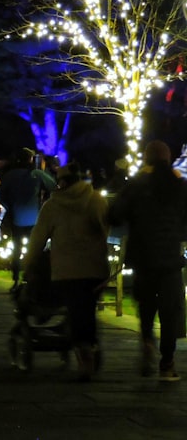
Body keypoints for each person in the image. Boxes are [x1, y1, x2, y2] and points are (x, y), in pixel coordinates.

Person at [108, 140, 187, 380]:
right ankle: (167, 362)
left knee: (146, 307)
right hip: (171, 259)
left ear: (146, 158)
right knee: (169, 312)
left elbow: (114, 215)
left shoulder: (136, 184)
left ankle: (146, 341)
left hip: (142, 258)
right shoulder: (179, 185)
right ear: (168, 157)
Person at [24, 162, 110, 380]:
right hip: (95, 268)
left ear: (60, 182)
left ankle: (83, 351)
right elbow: (104, 228)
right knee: (86, 309)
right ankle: (86, 346)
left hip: (66, 271)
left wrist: (28, 265)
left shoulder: (53, 206)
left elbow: (37, 241)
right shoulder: (96, 200)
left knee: (76, 308)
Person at [0, 148, 56, 291]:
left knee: (16, 248)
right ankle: (31, 278)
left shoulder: (10, 175)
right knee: (34, 249)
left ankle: (16, 279)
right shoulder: (36, 174)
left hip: (16, 217)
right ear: (31, 160)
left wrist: (10, 207)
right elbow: (53, 186)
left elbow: (1, 195)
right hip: (34, 217)